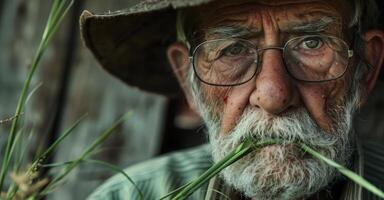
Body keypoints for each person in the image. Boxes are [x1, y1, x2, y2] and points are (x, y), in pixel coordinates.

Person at [80, 0, 384, 199]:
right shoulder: (130, 195)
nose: (272, 96)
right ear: (188, 78)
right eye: (233, 50)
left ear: (364, 68)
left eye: (311, 43)